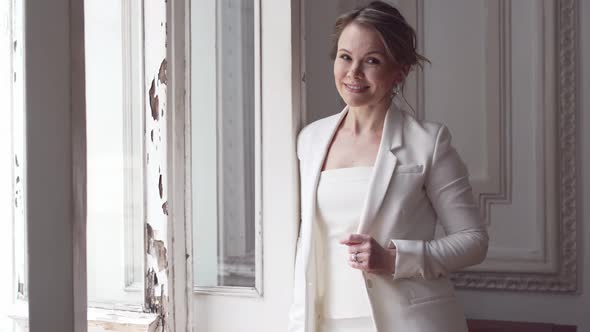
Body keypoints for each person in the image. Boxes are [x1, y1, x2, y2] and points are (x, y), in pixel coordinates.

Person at [289, 1, 489, 331]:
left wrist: (396, 259)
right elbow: (305, 246)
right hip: (326, 322)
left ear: (400, 71)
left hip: (408, 322)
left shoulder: (429, 142)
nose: (353, 73)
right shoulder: (309, 140)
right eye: (345, 57)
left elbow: (473, 241)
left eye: (372, 61)